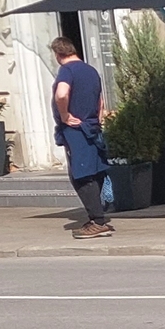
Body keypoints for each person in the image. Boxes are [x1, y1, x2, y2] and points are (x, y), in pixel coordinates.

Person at [51, 36, 111, 239]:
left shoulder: (66, 70)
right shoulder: (91, 70)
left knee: (81, 175)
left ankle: (98, 220)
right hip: (93, 127)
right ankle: (99, 214)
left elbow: (61, 94)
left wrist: (65, 115)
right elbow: (100, 101)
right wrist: (98, 119)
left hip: (76, 131)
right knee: (95, 171)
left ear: (58, 54)